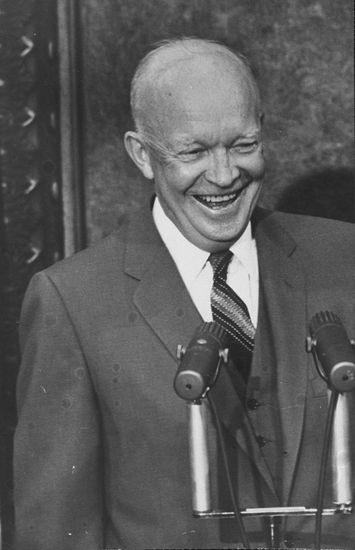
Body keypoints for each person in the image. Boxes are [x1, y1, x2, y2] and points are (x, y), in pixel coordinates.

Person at [14, 37, 355, 549]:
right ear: (142, 155)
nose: (224, 175)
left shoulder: (345, 258)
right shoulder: (72, 300)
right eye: (193, 151)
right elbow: (55, 532)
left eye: (243, 145)